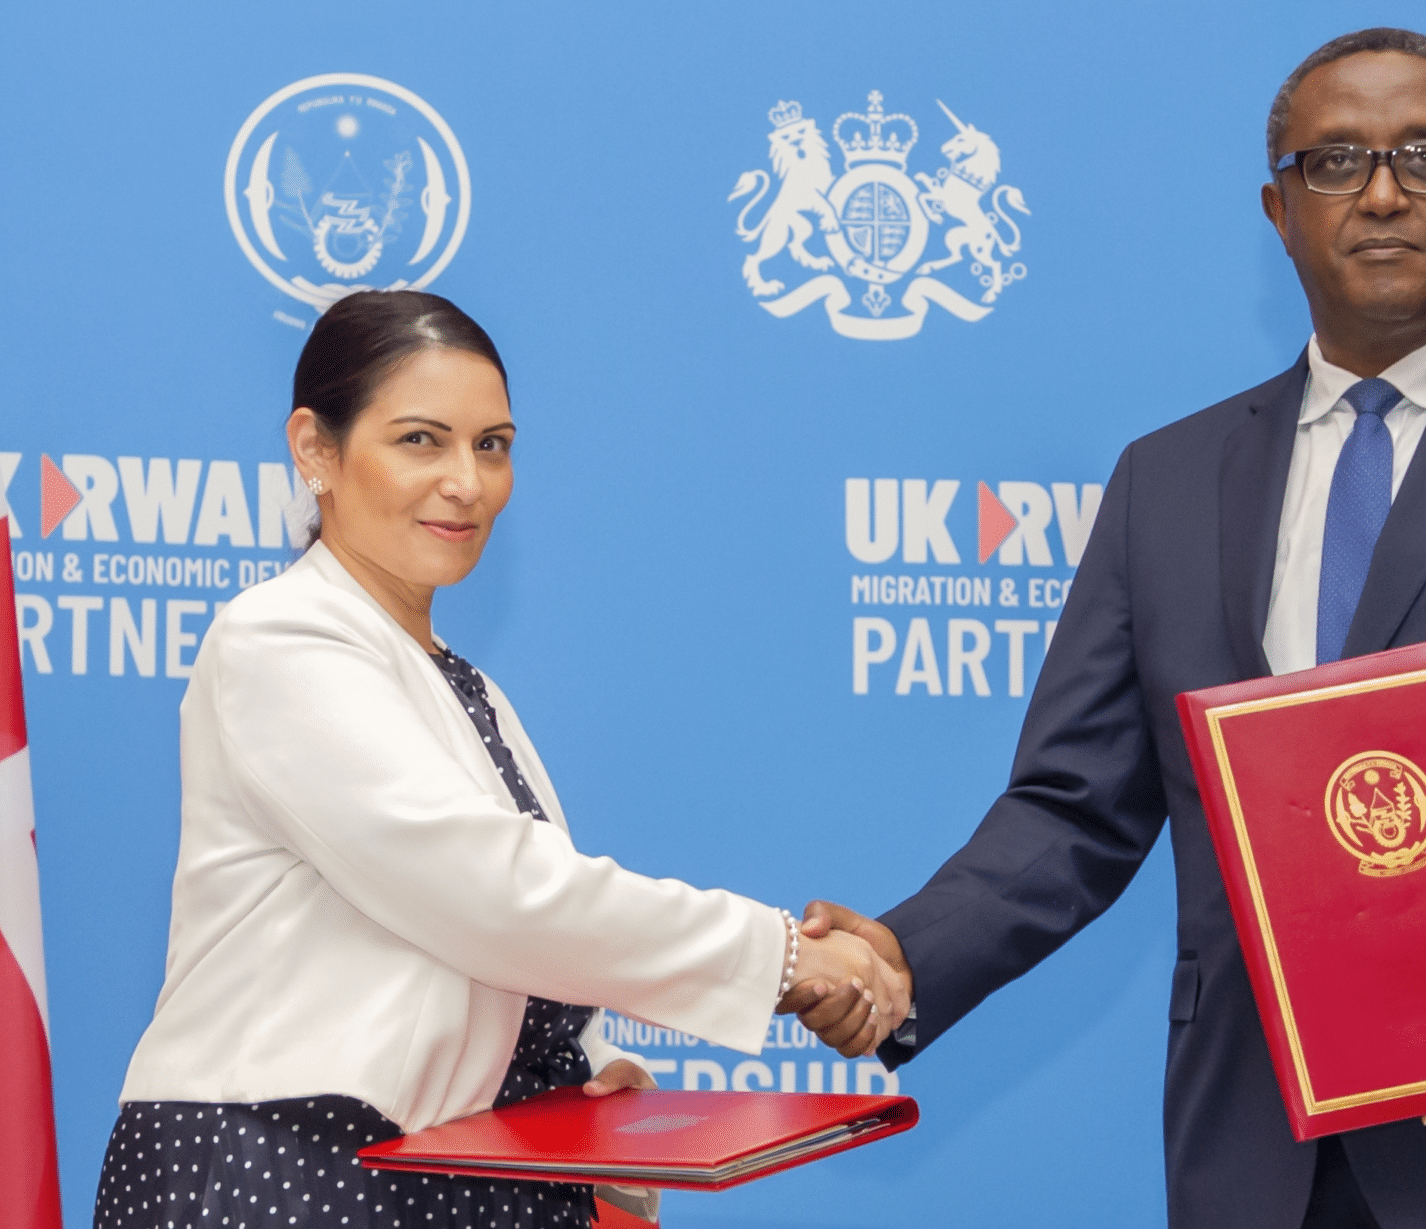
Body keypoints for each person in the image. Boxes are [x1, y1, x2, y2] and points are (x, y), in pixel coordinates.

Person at [790, 28, 1426, 1229]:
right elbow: (1073, 806)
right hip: (1257, 1157)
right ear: (1276, 209)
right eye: (1334, 163)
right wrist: (906, 954)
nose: (1380, 192)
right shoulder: (1165, 479)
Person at [95, 290, 907, 1229]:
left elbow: (505, 940)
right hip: (280, 1166)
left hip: (438, 1177)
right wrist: (784, 955)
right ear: (316, 448)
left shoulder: (459, 681)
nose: (467, 482)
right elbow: (490, 892)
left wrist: (589, 1074)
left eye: (492, 444)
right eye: (420, 441)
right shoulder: (279, 637)